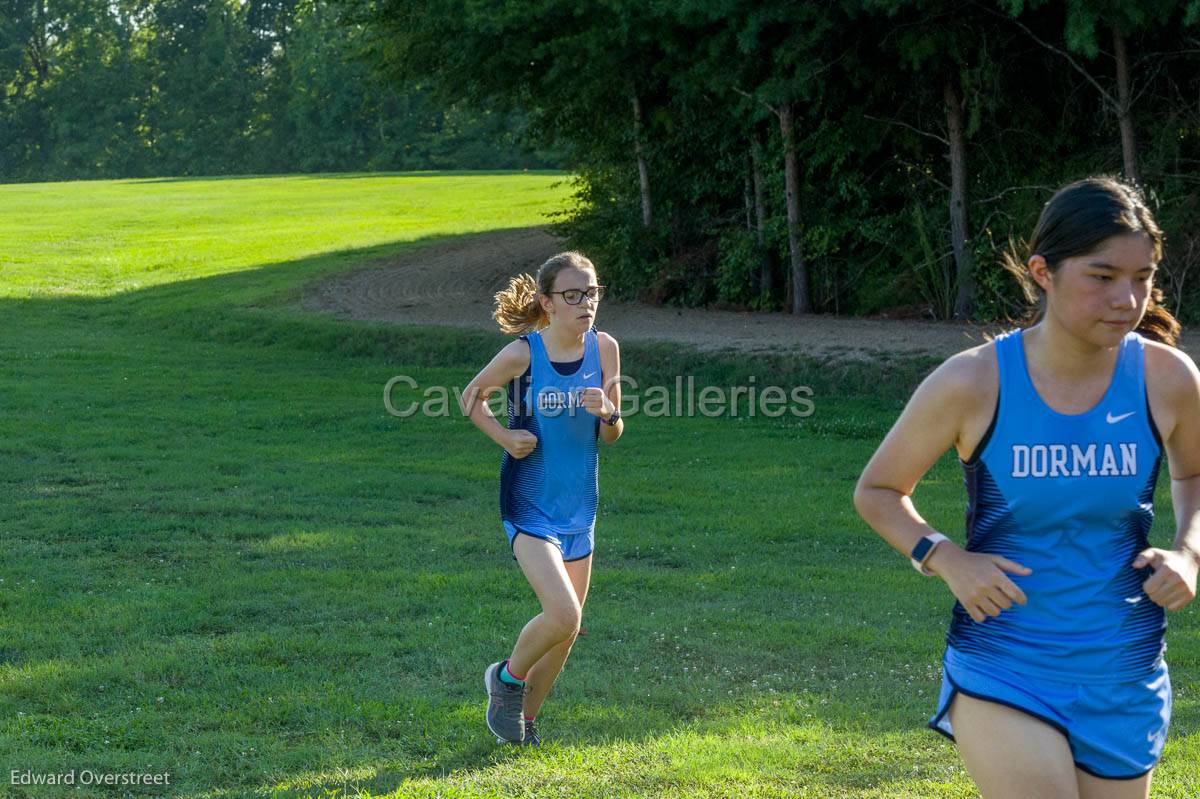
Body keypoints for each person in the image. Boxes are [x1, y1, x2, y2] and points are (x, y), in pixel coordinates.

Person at [854, 177, 1199, 798]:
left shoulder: (1166, 378)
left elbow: (1195, 473)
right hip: (1006, 664)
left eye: (1142, 276)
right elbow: (877, 490)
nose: (1127, 298)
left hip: (1125, 670)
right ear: (1043, 272)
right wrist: (945, 557)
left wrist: (1190, 553)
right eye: (1102, 276)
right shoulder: (974, 380)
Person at [463, 251, 623, 745]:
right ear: (547, 304)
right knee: (564, 614)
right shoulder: (523, 355)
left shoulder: (606, 349)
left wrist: (610, 413)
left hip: (581, 505)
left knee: (567, 629)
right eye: (572, 295)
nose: (585, 303)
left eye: (591, 292)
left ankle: (522, 721)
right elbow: (471, 397)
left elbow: (613, 434)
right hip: (530, 504)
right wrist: (506, 438)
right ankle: (506, 679)